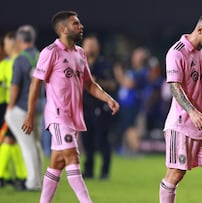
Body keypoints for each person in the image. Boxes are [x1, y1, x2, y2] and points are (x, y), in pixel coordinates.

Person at [21, 11, 119, 202]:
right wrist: (30, 113)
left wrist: (108, 98)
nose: (81, 27)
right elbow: (36, 83)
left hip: (73, 117)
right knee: (73, 157)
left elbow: (89, 84)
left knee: (57, 162)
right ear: (63, 29)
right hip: (58, 116)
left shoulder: (80, 53)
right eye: (76, 24)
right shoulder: (50, 52)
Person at [159, 11, 202, 203]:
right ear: (200, 29)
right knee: (175, 174)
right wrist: (192, 111)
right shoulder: (177, 52)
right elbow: (174, 86)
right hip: (182, 126)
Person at [4, 25, 43, 191]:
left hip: (22, 107)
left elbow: (15, 86)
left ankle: (32, 182)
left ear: (20, 41)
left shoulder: (20, 59)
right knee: (36, 144)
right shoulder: (42, 56)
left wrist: (10, 106)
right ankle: (39, 180)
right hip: (40, 105)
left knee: (27, 146)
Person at [81, 34, 117, 179]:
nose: (90, 48)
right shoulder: (79, 64)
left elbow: (113, 85)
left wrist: (97, 82)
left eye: (92, 44)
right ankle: (88, 171)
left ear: (98, 47)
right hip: (84, 107)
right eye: (87, 44)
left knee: (102, 141)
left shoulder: (105, 64)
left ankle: (104, 172)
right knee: (86, 142)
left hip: (101, 108)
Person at [0, 31, 27, 188]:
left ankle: (12, 176)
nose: (5, 47)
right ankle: (17, 176)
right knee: (11, 142)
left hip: (16, 107)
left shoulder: (20, 62)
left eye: (7, 43)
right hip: (5, 107)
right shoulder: (5, 64)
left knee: (10, 140)